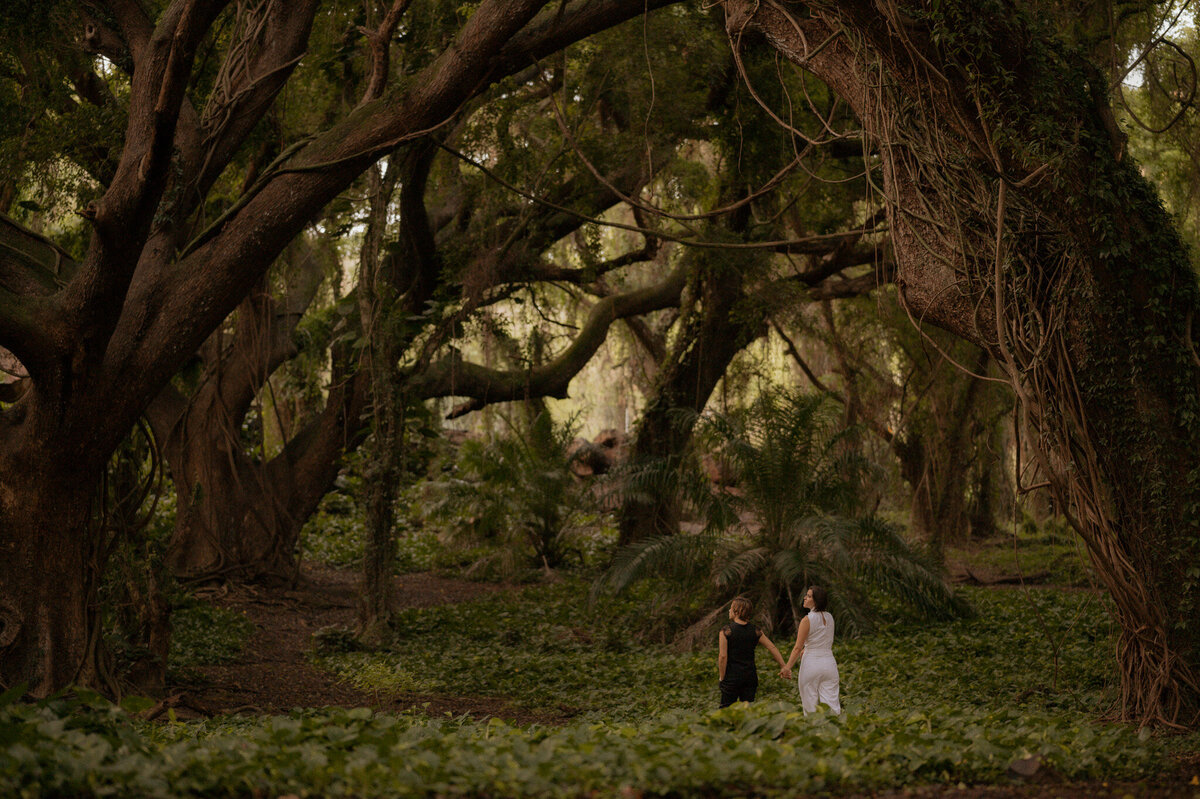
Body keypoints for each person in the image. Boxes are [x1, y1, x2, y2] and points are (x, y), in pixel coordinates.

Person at [717, 595, 789, 708]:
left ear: (738, 611)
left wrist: (722, 677)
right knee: (747, 711)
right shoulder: (755, 631)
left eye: (731, 607)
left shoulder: (726, 631)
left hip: (731, 678)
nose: (729, 610)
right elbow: (772, 647)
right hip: (750, 677)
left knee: (726, 710)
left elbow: (722, 656)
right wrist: (783, 666)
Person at [782, 586, 841, 714]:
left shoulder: (807, 620)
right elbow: (821, 639)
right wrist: (807, 649)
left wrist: (787, 667)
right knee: (832, 705)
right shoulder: (830, 617)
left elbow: (797, 647)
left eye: (808, 596)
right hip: (830, 664)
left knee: (810, 707)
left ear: (816, 601)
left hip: (811, 665)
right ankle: (836, 731)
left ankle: (813, 731)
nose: (805, 597)